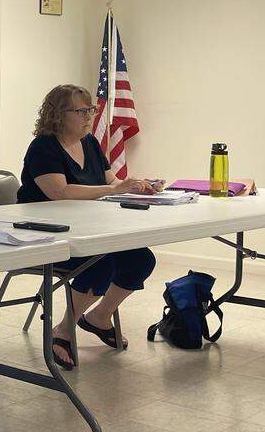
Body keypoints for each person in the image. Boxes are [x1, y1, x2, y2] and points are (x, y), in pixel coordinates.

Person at [16, 84, 159, 370]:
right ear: (58, 114)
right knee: (99, 263)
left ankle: (98, 317)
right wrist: (110, 188)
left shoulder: (91, 143)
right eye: (81, 111)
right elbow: (59, 192)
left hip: (86, 226)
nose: (89, 116)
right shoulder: (44, 145)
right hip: (45, 234)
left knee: (141, 259)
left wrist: (137, 186)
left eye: (90, 109)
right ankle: (63, 331)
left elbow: (112, 182)